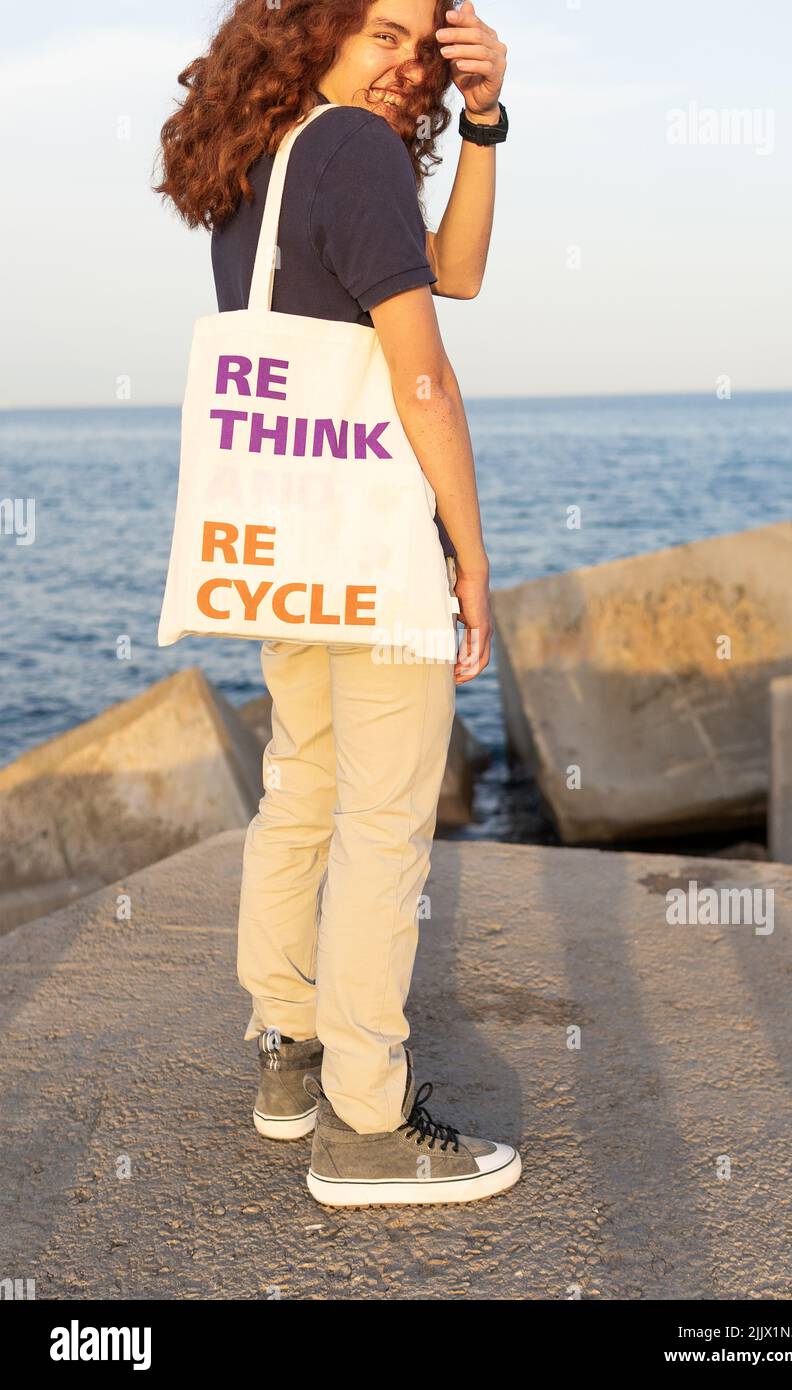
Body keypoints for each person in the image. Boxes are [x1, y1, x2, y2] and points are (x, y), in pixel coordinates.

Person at [154, 0, 519, 1206]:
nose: (404, 61)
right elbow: (421, 369)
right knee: (384, 823)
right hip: (371, 540)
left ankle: (289, 1052)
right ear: (308, 30)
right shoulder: (354, 151)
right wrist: (467, 549)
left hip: (288, 539)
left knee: (302, 781)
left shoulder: (263, 157)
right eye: (380, 31)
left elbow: (451, 273)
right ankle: (367, 1123)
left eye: (421, 41)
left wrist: (485, 120)